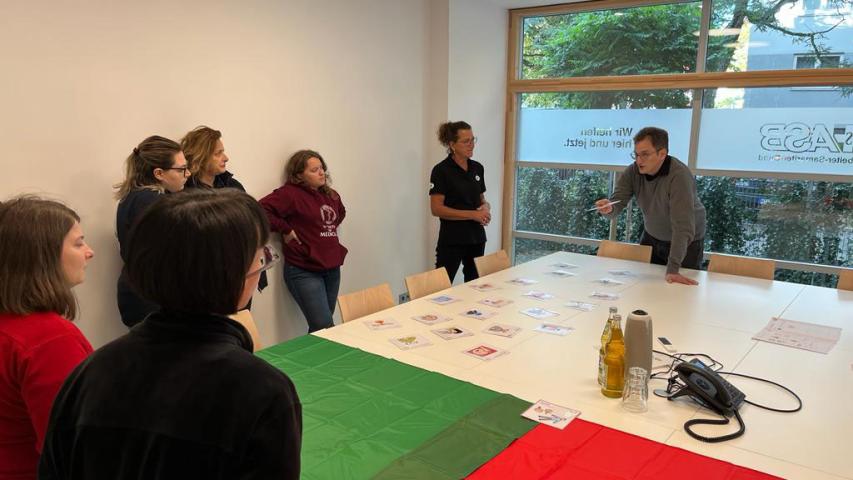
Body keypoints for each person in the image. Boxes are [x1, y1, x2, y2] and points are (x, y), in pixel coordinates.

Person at [39, 189, 302, 479]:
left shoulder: (88, 373)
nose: (262, 266)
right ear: (230, 275)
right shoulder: (263, 390)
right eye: (259, 258)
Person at [0, 196, 94, 480]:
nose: (89, 252)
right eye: (78, 243)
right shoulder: (49, 340)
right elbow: (73, 452)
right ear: (42, 256)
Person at [595, 126, 706, 285]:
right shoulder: (633, 171)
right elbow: (617, 202)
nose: (639, 160)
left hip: (686, 242)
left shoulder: (679, 176)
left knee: (679, 290)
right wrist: (609, 208)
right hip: (652, 236)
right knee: (644, 286)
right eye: (636, 154)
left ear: (662, 154)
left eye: (645, 154)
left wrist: (673, 269)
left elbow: (683, 228)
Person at [259, 150, 347, 333]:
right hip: (304, 269)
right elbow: (260, 210)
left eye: (322, 168)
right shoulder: (290, 194)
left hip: (331, 267)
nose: (321, 173)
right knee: (323, 326)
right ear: (299, 175)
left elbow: (340, 213)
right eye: (314, 170)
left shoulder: (331, 195)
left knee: (324, 329)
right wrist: (285, 228)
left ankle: (317, 352)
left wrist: (322, 229)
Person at [113, 135, 189, 327]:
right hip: (153, 297)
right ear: (159, 173)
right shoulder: (154, 203)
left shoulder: (133, 197)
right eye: (181, 169)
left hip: (140, 293)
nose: (188, 174)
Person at [429, 121, 490, 283]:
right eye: (465, 141)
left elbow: (481, 199)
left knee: (475, 285)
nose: (471, 145)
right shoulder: (441, 171)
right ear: (452, 144)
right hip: (453, 239)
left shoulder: (477, 168)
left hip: (476, 238)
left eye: (473, 140)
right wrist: (473, 215)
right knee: (440, 284)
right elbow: (436, 209)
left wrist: (485, 208)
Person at [181, 125, 245, 190]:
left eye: (222, 152)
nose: (226, 158)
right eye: (218, 153)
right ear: (200, 158)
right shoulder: (184, 190)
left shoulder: (234, 187)